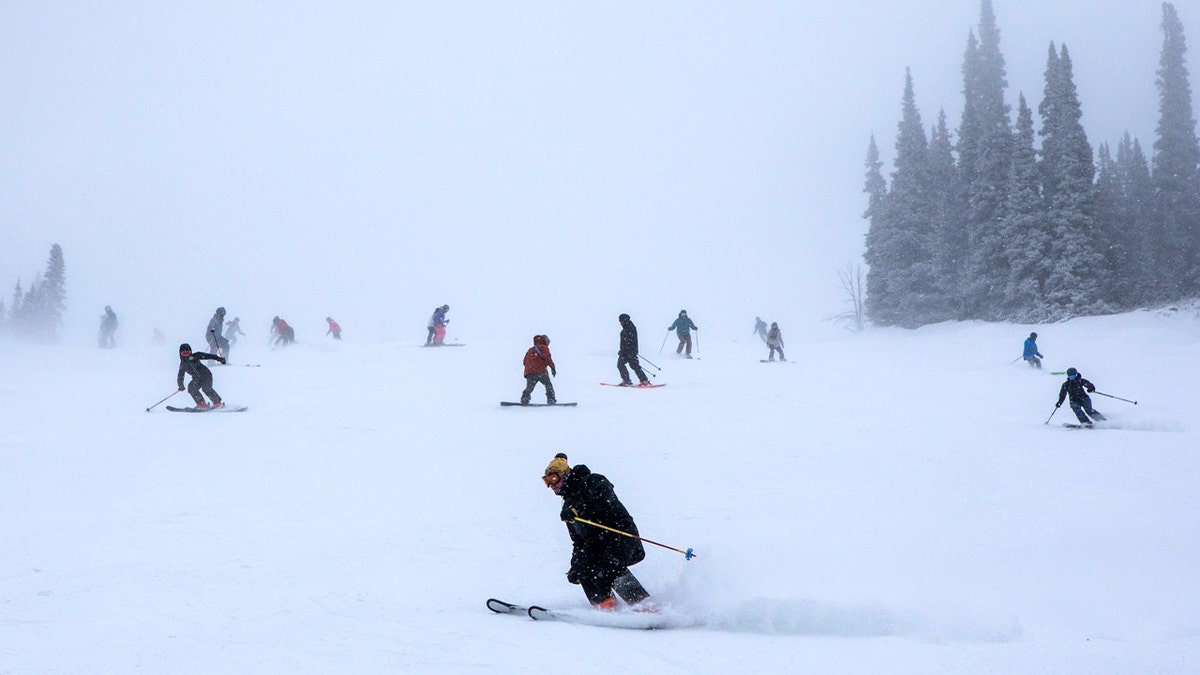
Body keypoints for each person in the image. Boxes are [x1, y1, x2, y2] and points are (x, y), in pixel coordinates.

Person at [542, 453, 650, 610]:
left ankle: (644, 604)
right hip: (599, 545)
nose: (551, 485)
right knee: (581, 561)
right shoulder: (568, 506)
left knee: (607, 562)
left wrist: (581, 510)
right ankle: (606, 604)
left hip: (621, 538)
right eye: (546, 481)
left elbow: (606, 502)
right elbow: (578, 541)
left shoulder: (592, 482)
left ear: (565, 475)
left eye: (553, 479)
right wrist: (577, 567)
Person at [176, 342, 225, 409]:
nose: (186, 355)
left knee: (206, 388)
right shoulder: (183, 364)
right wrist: (181, 385)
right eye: (184, 353)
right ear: (180, 354)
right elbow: (180, 376)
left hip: (206, 375)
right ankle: (201, 404)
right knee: (191, 387)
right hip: (197, 379)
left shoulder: (195, 356)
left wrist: (219, 359)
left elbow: (208, 356)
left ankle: (218, 403)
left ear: (190, 352)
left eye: (188, 353)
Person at [520, 334, 557, 405]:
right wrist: (553, 368)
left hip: (530, 372)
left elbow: (524, 362)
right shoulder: (544, 348)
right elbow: (548, 358)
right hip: (541, 371)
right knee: (548, 385)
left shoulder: (530, 349)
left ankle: (525, 398)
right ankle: (551, 399)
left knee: (529, 388)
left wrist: (531, 367)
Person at [617, 313, 649, 386]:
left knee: (634, 366)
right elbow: (623, 343)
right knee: (620, 364)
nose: (620, 323)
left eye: (621, 321)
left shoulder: (631, 328)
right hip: (624, 352)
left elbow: (631, 341)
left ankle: (644, 380)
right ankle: (626, 380)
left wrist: (629, 350)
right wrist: (621, 350)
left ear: (625, 320)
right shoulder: (624, 330)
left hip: (631, 352)